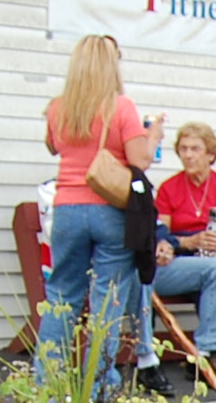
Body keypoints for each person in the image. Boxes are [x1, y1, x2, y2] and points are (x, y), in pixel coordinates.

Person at [39, 35, 152, 379]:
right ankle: (98, 388)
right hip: (109, 211)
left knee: (62, 296)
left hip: (68, 209)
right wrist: (153, 137)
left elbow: (52, 147)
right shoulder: (121, 107)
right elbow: (139, 160)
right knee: (107, 302)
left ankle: (48, 384)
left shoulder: (59, 107)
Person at [149, 119, 216, 381]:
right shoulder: (169, 188)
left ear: (210, 154)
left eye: (195, 149)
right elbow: (163, 236)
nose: (188, 155)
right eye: (183, 149)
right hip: (183, 262)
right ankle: (209, 349)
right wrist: (190, 241)